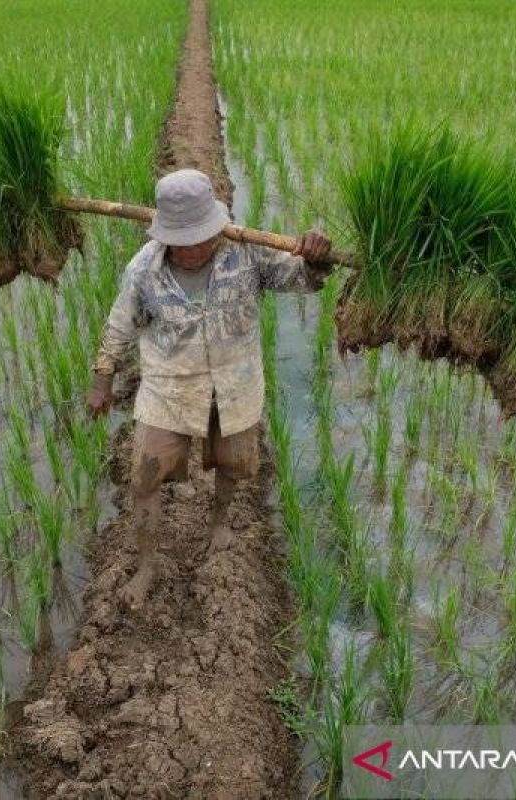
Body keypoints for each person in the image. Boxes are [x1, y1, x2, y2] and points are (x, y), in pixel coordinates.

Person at [85, 168, 333, 610]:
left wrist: (315, 259)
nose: (192, 248)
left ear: (217, 227)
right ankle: (147, 564)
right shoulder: (144, 269)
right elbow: (120, 325)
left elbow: (302, 279)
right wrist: (102, 378)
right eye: (181, 241)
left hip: (235, 383)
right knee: (144, 475)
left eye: (201, 237)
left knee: (234, 464)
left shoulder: (248, 254)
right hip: (169, 387)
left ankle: (220, 523)